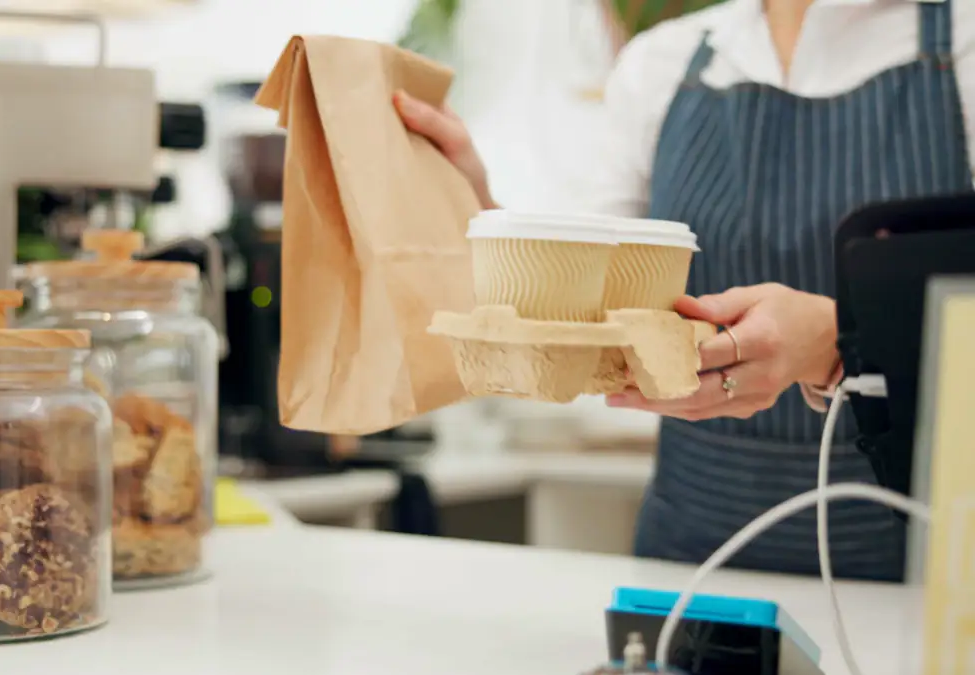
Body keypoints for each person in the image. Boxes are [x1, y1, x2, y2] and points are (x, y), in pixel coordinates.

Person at [394, 0, 974, 582]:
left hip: (919, 565)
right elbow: (590, 300)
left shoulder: (963, 46)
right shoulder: (662, 62)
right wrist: (477, 206)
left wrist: (840, 344)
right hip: (689, 555)